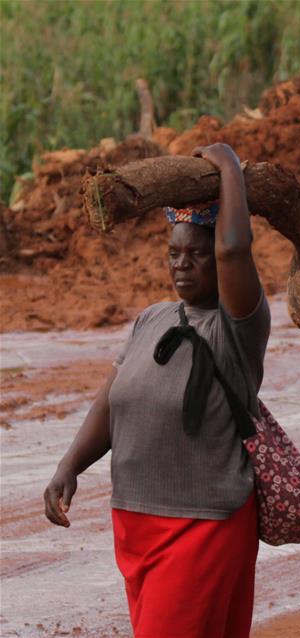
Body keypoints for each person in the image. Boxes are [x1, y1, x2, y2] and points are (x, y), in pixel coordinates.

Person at [43, 143, 270, 637]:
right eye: (174, 253)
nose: (182, 265)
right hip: (137, 524)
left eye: (196, 254)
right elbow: (111, 399)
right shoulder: (152, 318)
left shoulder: (237, 328)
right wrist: (69, 466)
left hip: (202, 525)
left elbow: (235, 248)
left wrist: (229, 164)